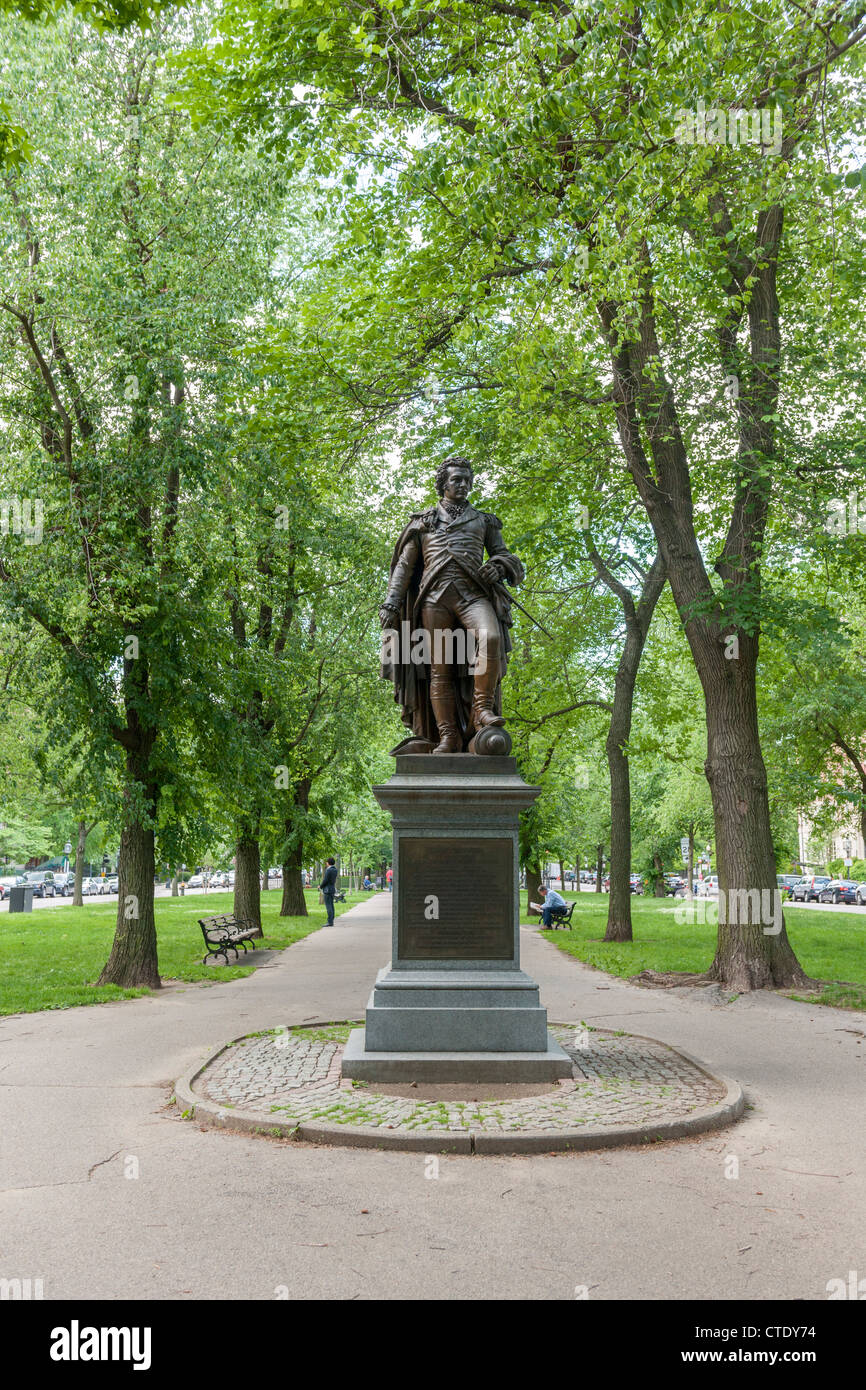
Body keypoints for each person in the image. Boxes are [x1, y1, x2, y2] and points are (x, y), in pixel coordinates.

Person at [379, 457, 525, 753]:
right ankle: (448, 736)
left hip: (473, 596)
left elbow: (506, 557)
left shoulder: (484, 521)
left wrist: (497, 566)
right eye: (457, 479)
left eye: (467, 480)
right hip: (434, 601)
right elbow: (405, 567)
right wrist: (392, 604)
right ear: (443, 483)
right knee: (439, 670)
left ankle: (482, 708)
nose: (463, 484)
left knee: (490, 637)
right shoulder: (424, 522)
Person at [320, 857, 338, 926]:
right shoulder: (335, 870)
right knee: (331, 905)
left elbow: (325, 880)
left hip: (327, 890)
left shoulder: (328, 870)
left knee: (328, 906)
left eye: (326, 862)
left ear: (328, 863)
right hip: (332, 889)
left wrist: (320, 886)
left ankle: (330, 922)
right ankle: (331, 920)